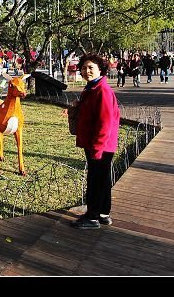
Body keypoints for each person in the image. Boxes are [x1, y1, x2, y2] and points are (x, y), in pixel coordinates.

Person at [70, 53, 120, 230]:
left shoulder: (102, 90)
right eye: (84, 67)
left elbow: (105, 122)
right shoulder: (92, 88)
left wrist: (97, 148)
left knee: (95, 180)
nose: (86, 71)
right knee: (103, 179)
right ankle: (103, 213)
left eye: (91, 67)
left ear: (100, 69)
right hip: (98, 143)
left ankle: (92, 217)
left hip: (100, 144)